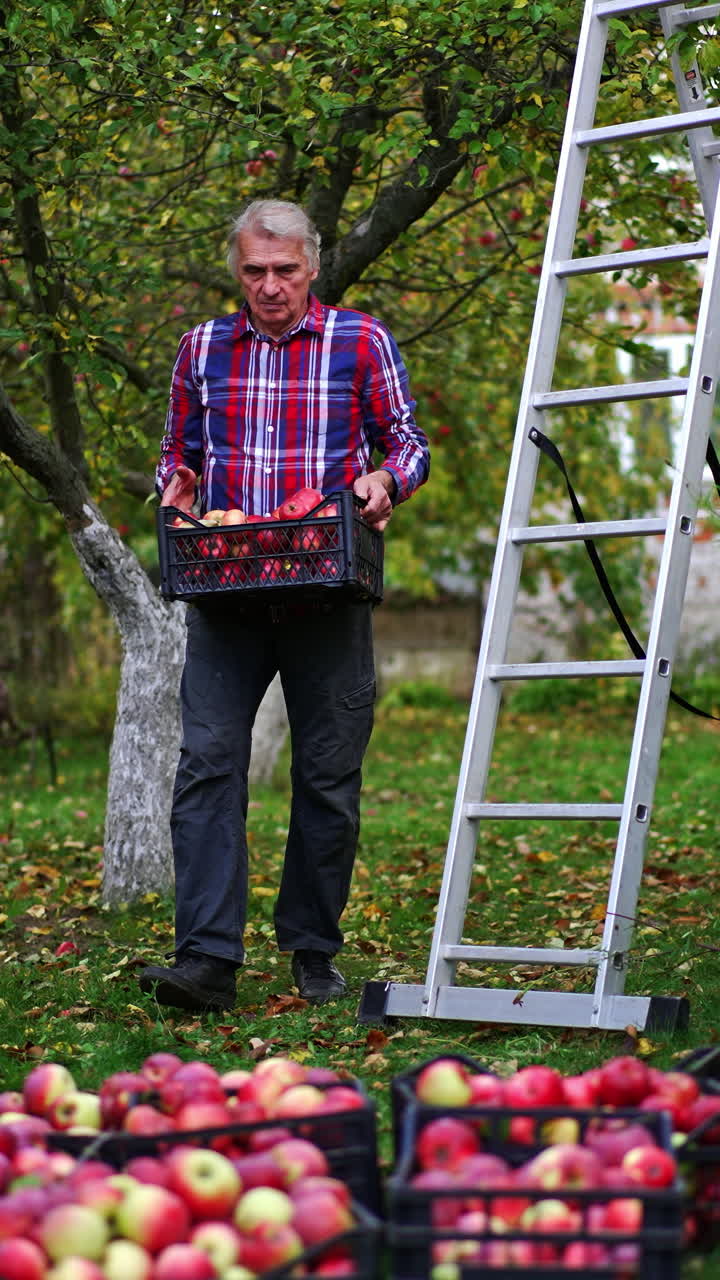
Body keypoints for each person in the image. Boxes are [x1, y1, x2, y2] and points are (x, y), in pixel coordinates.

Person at [139, 199, 429, 1013]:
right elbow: (179, 451)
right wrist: (180, 485)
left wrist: (384, 481)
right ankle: (206, 959)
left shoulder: (359, 341)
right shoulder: (202, 347)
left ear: (313, 268)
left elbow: (406, 441)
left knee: (329, 776)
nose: (269, 286)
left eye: (285, 271)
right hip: (227, 588)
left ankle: (311, 948)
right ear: (239, 271)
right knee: (207, 766)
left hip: (325, 587)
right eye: (254, 271)